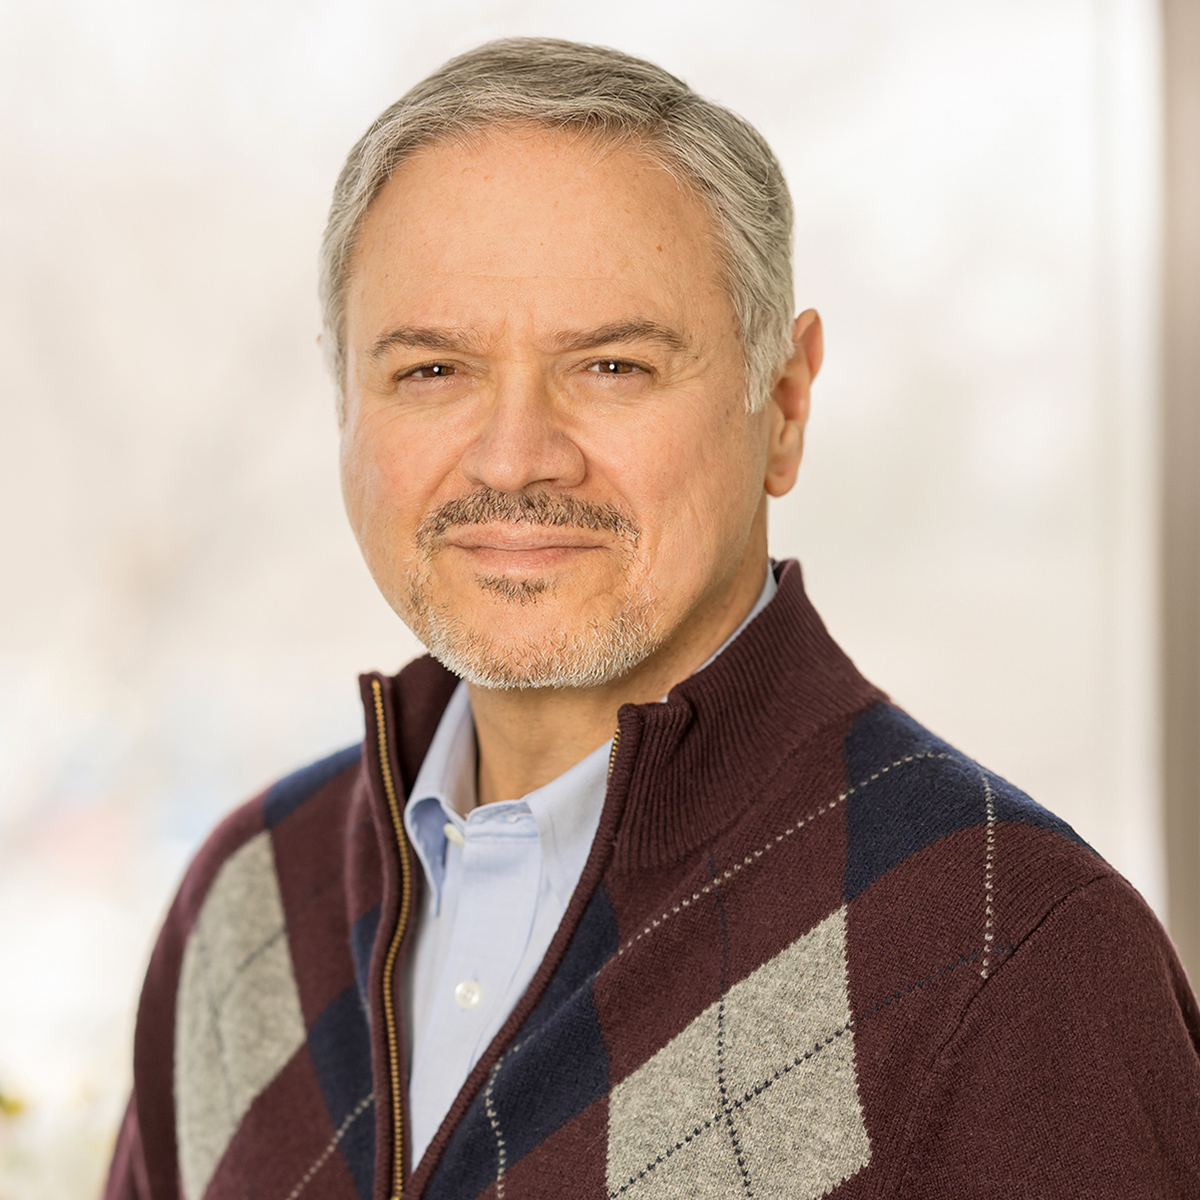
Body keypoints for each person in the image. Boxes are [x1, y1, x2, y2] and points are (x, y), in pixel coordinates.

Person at [105, 37, 1200, 1200]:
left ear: (781, 404)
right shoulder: (250, 903)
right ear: (345, 404)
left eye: (613, 365)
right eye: (432, 371)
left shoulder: (1007, 945)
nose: (516, 454)